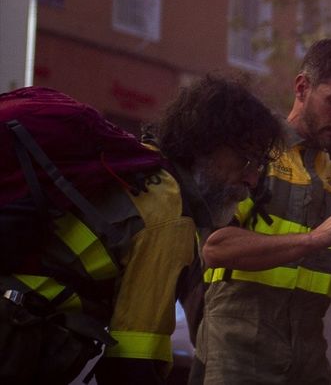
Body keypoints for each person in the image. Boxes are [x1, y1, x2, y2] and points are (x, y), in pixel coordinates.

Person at [0, 75, 284, 384]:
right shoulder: (169, 214)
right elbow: (131, 365)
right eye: (247, 160)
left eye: (259, 165)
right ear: (207, 145)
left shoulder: (143, 168)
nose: (253, 180)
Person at [193, 39, 331, 385]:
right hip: (238, 359)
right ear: (302, 87)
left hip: (308, 363)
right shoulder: (254, 149)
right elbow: (214, 248)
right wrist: (313, 239)